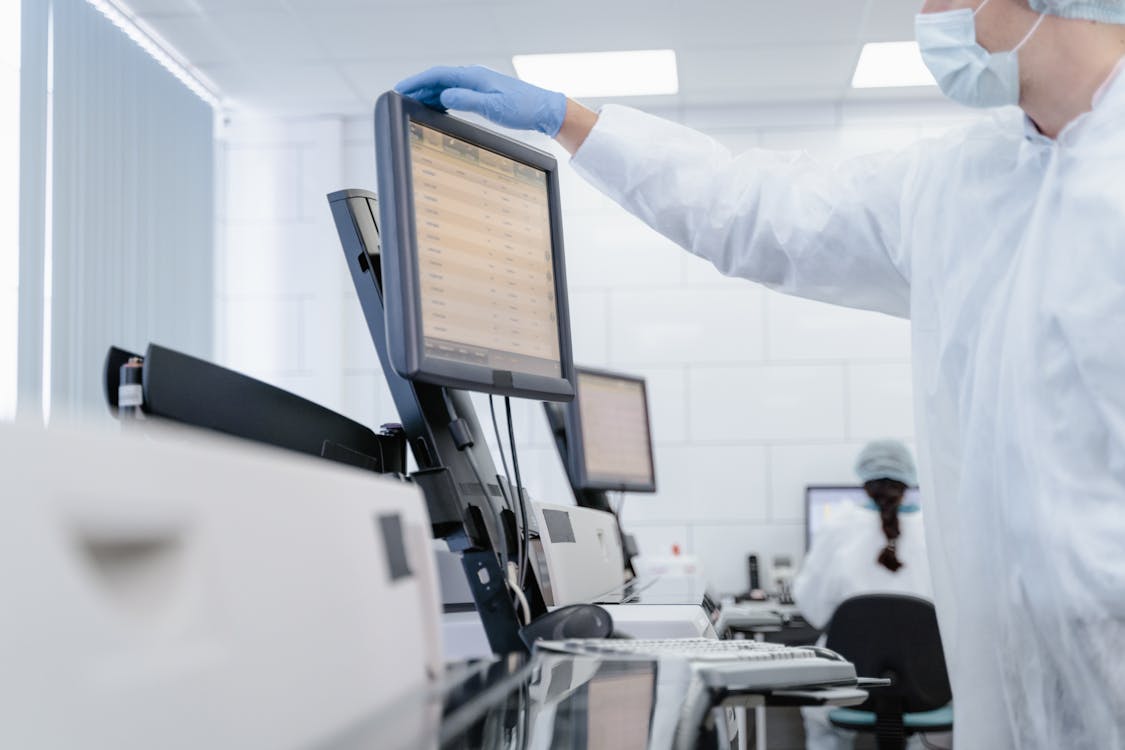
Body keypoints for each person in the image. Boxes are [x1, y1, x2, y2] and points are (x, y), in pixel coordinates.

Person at [394, 1, 1125, 747]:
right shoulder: (965, 182)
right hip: (1016, 704)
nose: (929, 14)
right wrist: (572, 121)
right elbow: (758, 210)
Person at [793, 440, 934, 750]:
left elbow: (813, 610)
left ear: (864, 479)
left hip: (846, 684)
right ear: (909, 480)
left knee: (824, 728)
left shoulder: (838, 526)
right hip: (926, 687)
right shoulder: (936, 529)